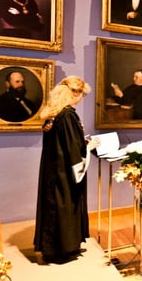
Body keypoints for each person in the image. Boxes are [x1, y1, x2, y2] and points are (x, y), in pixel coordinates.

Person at [34, 76, 100, 263]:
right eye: (81, 95)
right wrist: (89, 146)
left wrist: (81, 141)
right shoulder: (68, 115)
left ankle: (54, 248)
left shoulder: (54, 114)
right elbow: (73, 148)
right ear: (74, 93)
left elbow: (63, 141)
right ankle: (62, 249)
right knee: (65, 205)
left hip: (53, 169)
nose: (81, 99)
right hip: (64, 172)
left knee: (55, 205)